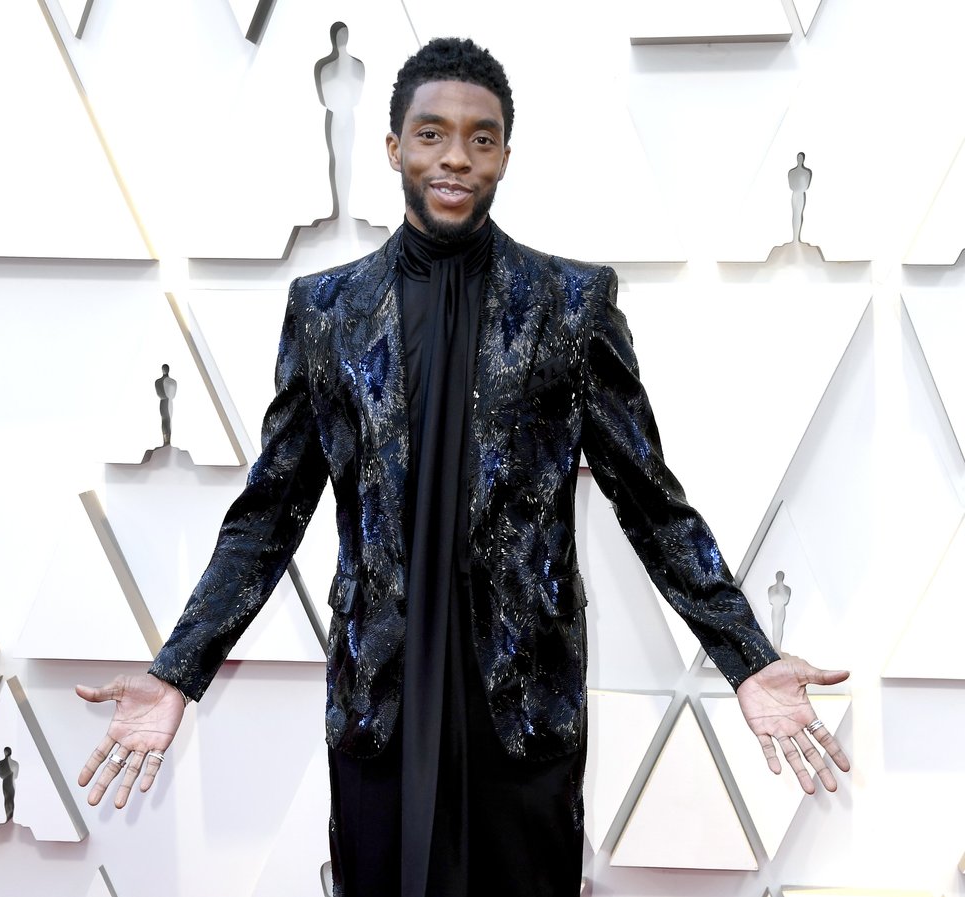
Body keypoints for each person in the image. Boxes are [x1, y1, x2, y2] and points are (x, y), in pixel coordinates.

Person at [76, 37, 850, 897]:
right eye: (432, 133)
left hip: (521, 706)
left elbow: (650, 501)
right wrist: (177, 670)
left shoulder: (572, 305)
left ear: (506, 156)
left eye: (481, 138)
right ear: (394, 147)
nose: (455, 156)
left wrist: (746, 655)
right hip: (380, 701)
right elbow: (268, 515)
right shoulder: (327, 311)